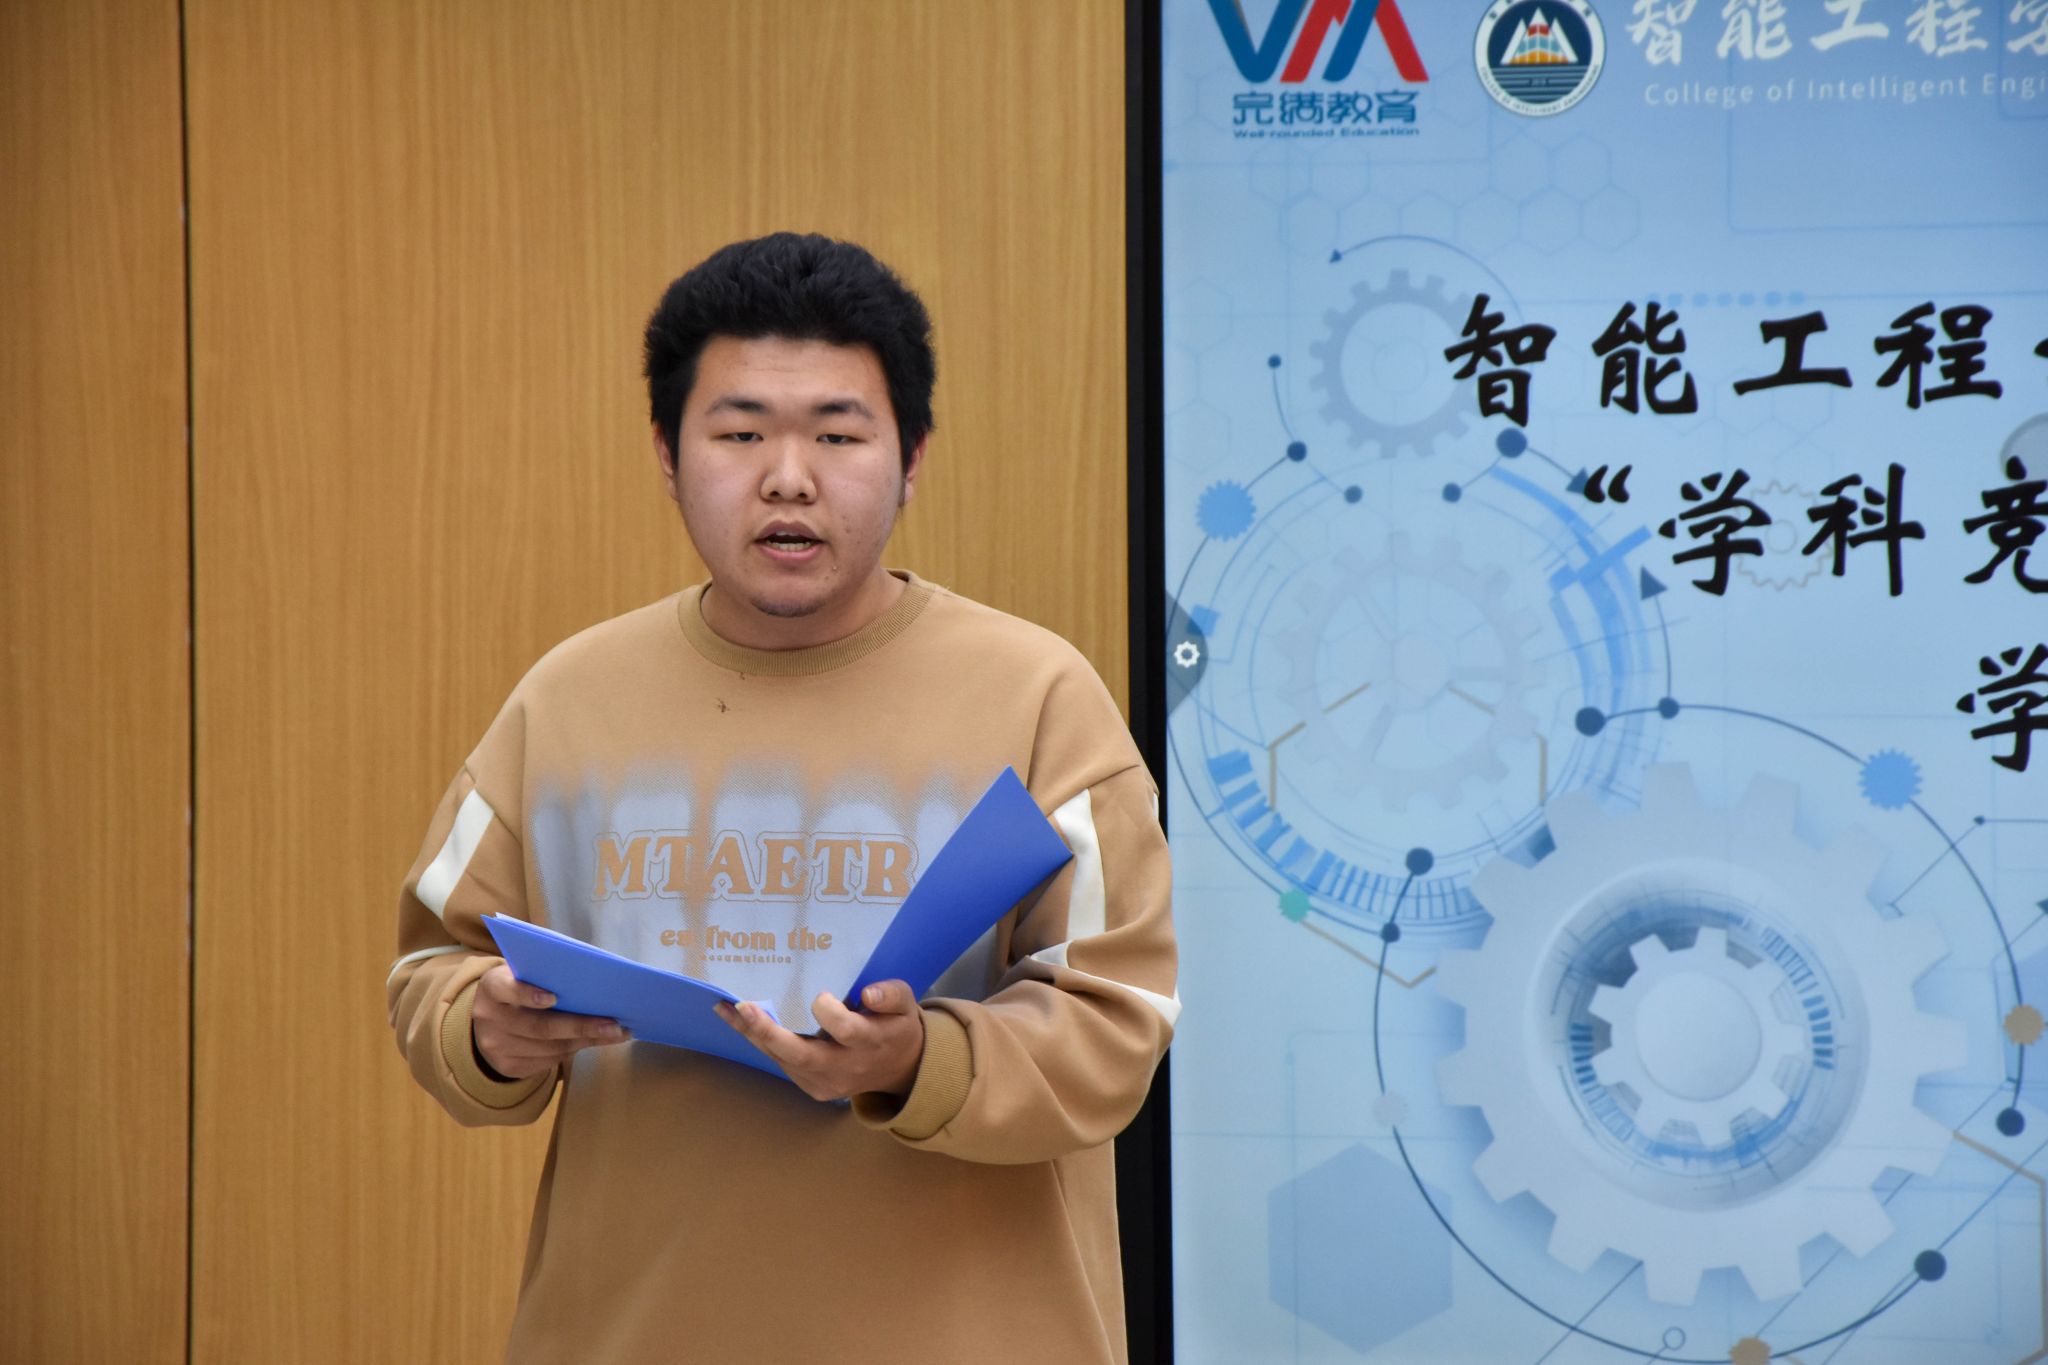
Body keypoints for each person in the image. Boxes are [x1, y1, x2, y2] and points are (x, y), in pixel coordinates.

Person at [386, 232, 1177, 1363]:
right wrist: (486, 1026)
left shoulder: (1038, 698)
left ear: (911, 457)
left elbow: (1118, 1022)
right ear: (668, 454)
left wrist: (916, 1061)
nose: (788, 477)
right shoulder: (564, 701)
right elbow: (432, 967)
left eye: (838, 434)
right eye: (741, 431)